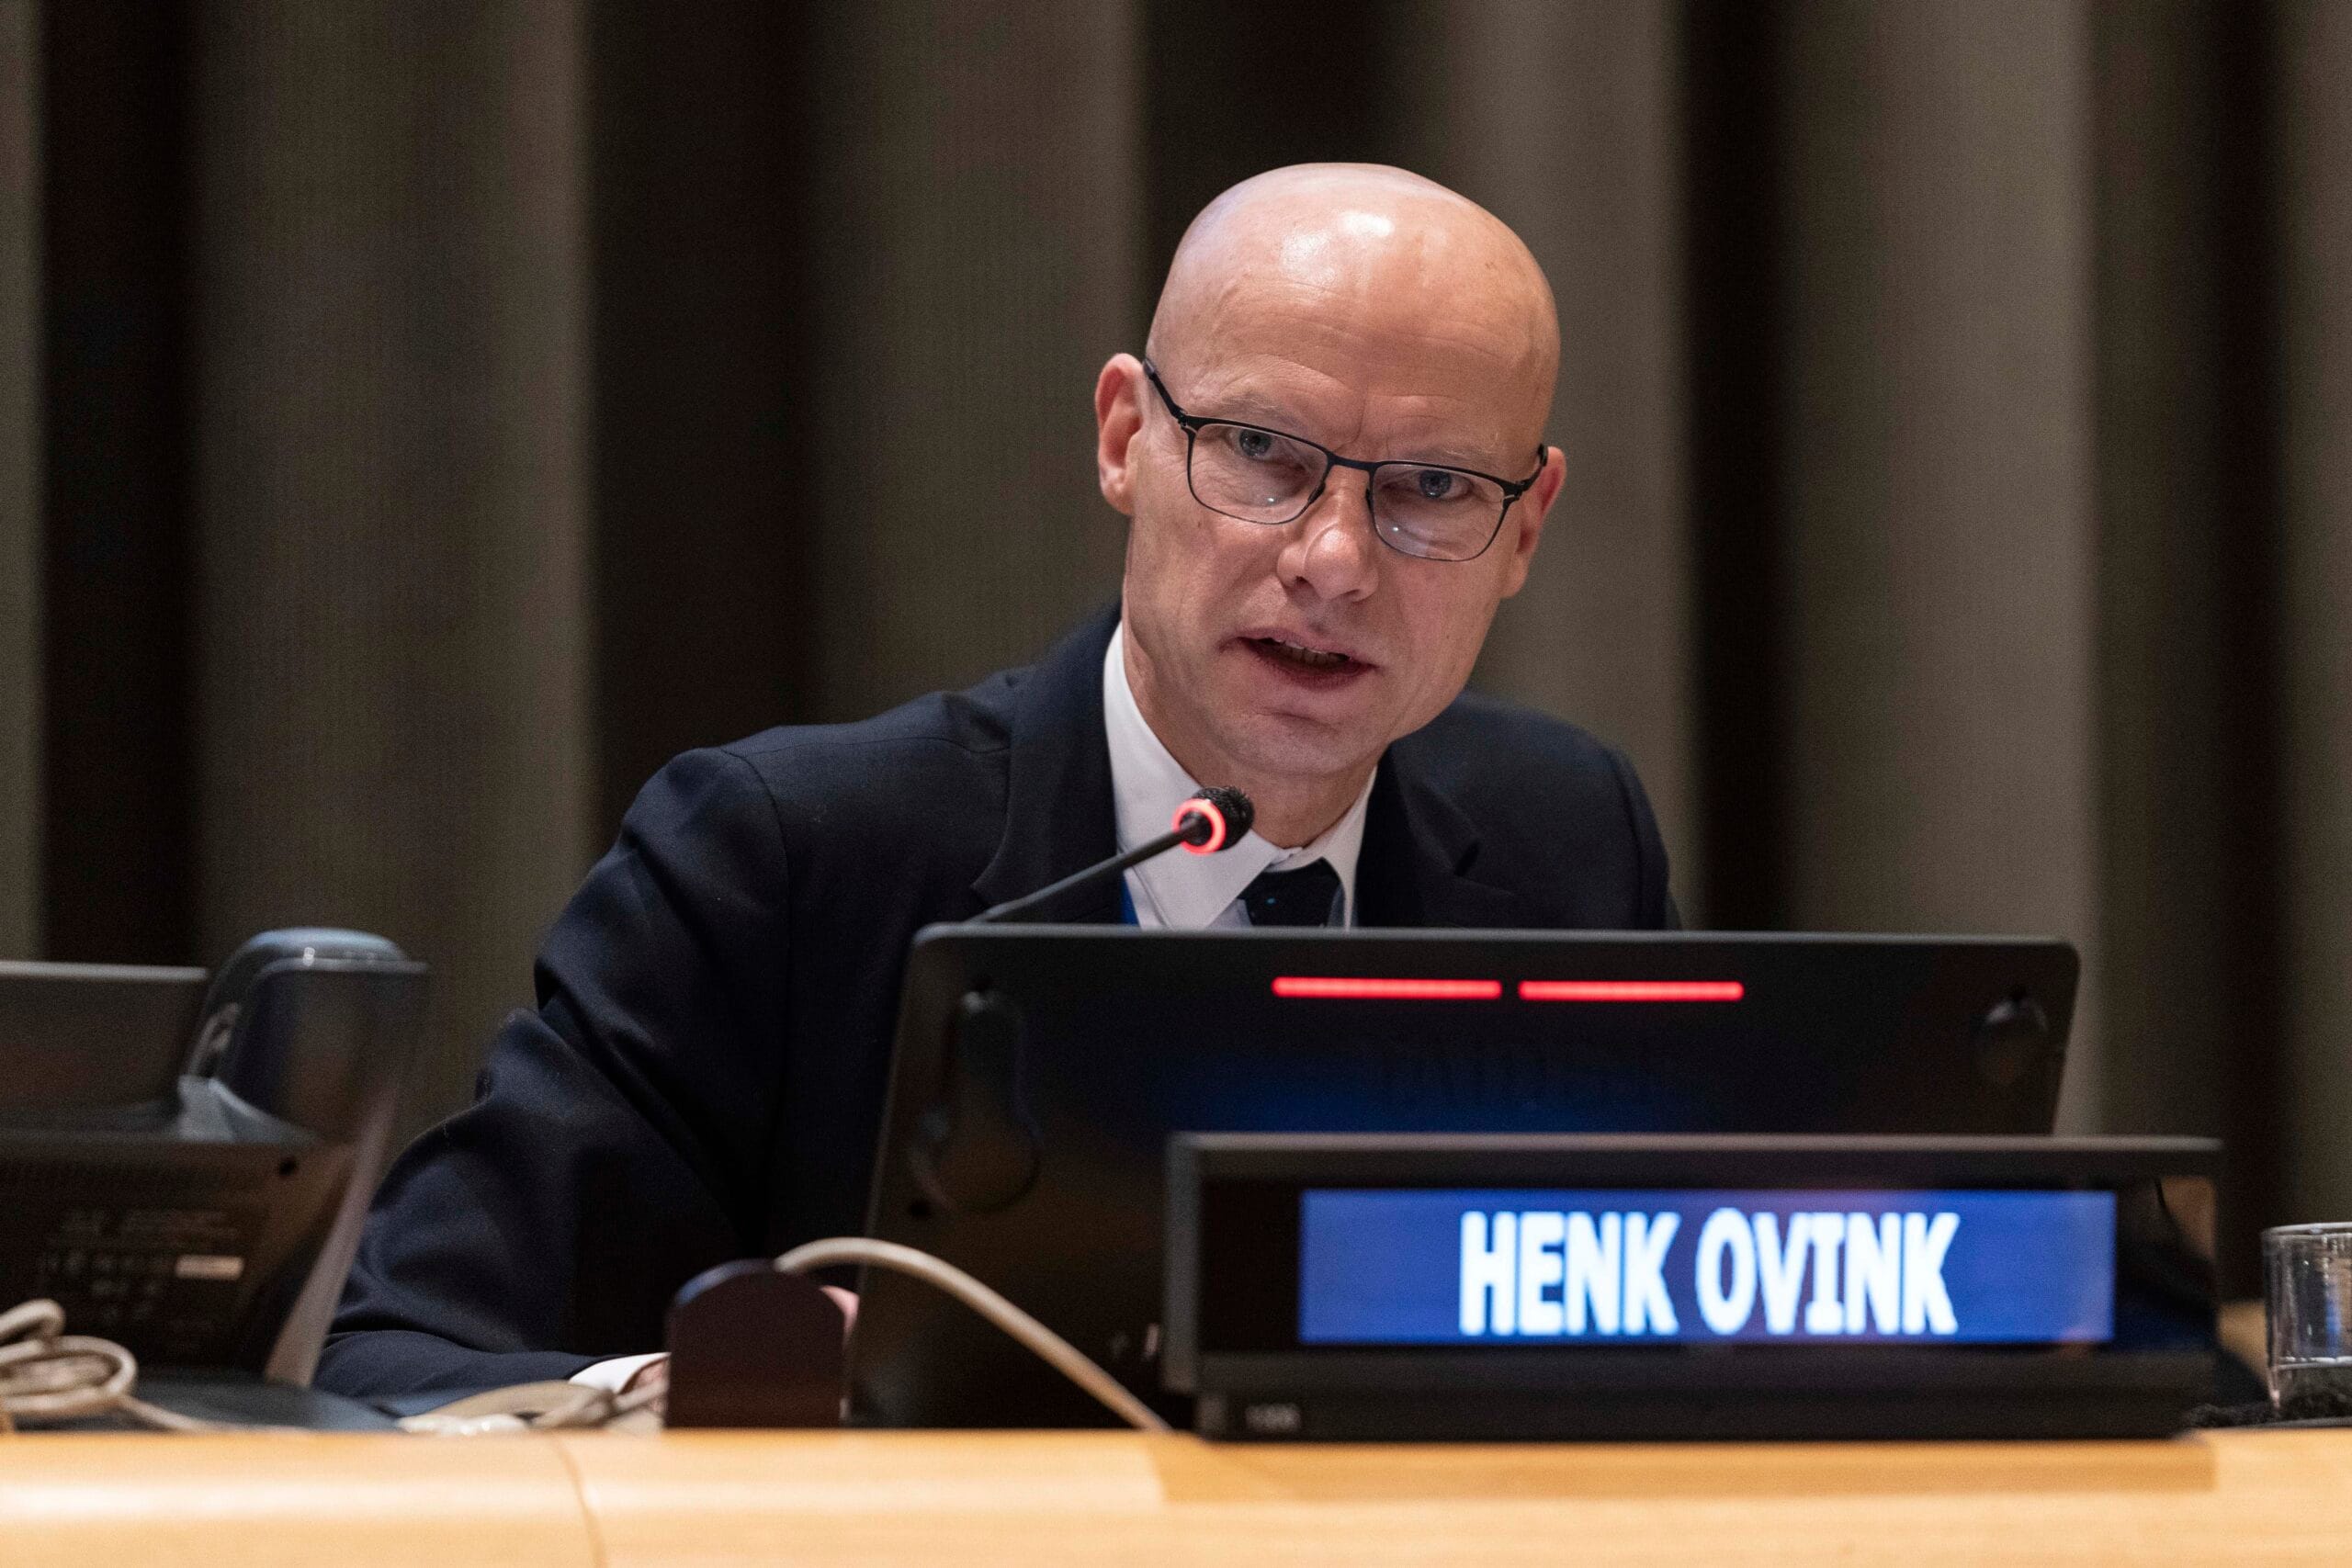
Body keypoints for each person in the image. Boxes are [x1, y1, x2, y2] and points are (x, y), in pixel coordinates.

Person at [318, 164, 1677, 1401]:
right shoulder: (787, 859)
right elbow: (396, 1362)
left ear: (1527, 529)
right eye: (1264, 452)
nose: (1332, 560)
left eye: (1430, 485)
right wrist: (747, 1404)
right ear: (1124, 439)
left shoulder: (1567, 841)